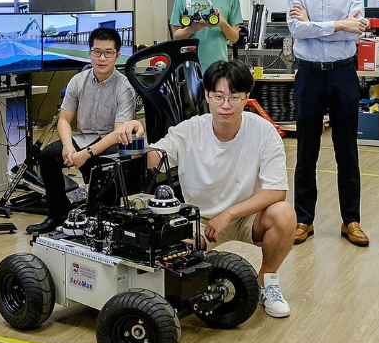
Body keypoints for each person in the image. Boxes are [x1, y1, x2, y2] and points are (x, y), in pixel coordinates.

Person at [118, 60, 296, 318]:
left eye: (234, 97)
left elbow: (276, 191)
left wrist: (229, 214)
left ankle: (267, 282)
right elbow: (152, 159)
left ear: (247, 96)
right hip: (200, 220)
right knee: (175, 256)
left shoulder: (264, 132)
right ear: (207, 96)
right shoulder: (189, 131)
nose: (226, 105)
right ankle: (206, 272)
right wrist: (137, 139)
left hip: (246, 216)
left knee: (284, 214)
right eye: (219, 96)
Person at [286, 0, 369, 247]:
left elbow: (355, 31)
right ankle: (303, 220)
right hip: (308, 74)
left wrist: (317, 25)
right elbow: (297, 30)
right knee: (306, 151)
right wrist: (339, 24)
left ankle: (352, 220)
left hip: (342, 73)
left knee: (347, 151)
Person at [26, 28, 136, 234]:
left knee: (108, 160)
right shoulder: (78, 81)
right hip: (83, 137)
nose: (102, 58)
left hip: (109, 142)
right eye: (97, 52)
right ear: (89, 53)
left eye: (108, 53)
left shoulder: (125, 88)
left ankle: (101, 218)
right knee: (48, 156)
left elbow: (117, 133)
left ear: (117, 56)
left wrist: (86, 154)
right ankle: (58, 214)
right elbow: (64, 119)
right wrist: (68, 146)